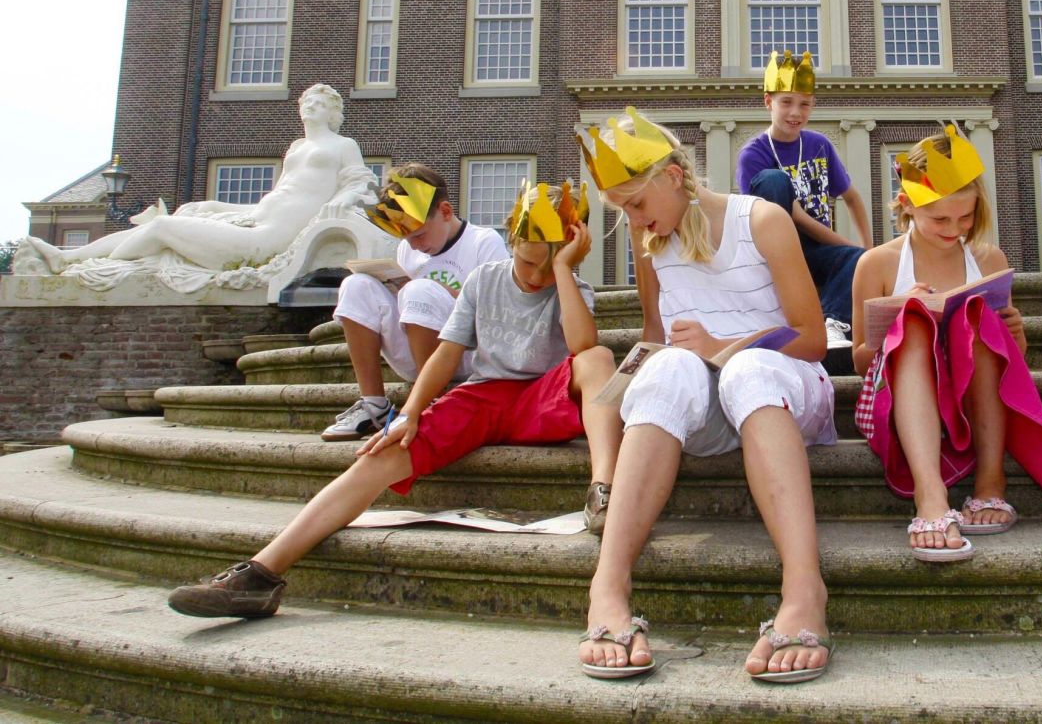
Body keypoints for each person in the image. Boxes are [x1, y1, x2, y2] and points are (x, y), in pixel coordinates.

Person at [166, 179, 622, 618]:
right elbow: (447, 354)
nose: (536, 274)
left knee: (600, 356)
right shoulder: (485, 279)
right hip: (483, 395)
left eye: (551, 264)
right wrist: (408, 413)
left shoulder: (572, 288)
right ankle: (261, 573)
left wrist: (562, 270)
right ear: (511, 239)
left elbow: (582, 347)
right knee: (383, 450)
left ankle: (603, 489)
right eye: (527, 263)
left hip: (545, 398)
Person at [576, 107, 835, 683]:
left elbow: (813, 338)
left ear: (672, 177)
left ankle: (802, 588)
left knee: (747, 372)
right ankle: (607, 587)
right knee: (666, 369)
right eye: (622, 209)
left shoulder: (762, 220)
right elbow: (655, 336)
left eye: (637, 204)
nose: (634, 220)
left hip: (787, 388)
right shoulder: (651, 245)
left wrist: (725, 343)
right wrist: (637, 379)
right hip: (713, 409)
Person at [851, 126, 1042, 562]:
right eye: (939, 219)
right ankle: (931, 497)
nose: (954, 229)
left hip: (970, 395)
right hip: (901, 396)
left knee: (977, 316)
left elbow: (1009, 366)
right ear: (906, 206)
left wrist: (1015, 336)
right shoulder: (878, 263)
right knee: (916, 320)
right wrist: (900, 312)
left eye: (965, 218)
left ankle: (990, 484)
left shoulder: (987, 258)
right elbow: (859, 362)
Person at [23, 84, 377, 273]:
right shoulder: (297, 147)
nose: (310, 104)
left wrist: (342, 200)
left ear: (334, 113)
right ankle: (69, 259)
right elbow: (274, 200)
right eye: (307, 100)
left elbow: (360, 184)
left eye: (320, 102)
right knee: (191, 210)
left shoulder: (342, 145)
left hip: (266, 242)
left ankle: (93, 266)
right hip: (255, 223)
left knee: (162, 228)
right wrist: (215, 205)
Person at [322, 165, 511, 440]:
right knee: (355, 285)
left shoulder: (484, 241)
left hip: (467, 354)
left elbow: (499, 308)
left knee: (419, 290)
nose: (413, 246)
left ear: (445, 212)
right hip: (416, 348)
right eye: (406, 238)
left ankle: (429, 401)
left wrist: (435, 290)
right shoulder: (408, 250)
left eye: (419, 235)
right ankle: (374, 404)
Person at [736, 49, 871, 352]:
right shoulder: (753, 154)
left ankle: (832, 322)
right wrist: (849, 246)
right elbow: (795, 217)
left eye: (804, 104)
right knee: (775, 181)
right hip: (774, 247)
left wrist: (867, 250)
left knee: (857, 259)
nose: (795, 113)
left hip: (815, 251)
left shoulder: (820, 145)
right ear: (768, 102)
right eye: (786, 102)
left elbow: (852, 197)